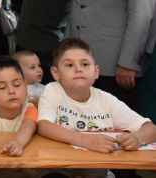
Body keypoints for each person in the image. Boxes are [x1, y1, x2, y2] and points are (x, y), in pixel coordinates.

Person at [37, 39, 156, 177]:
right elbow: (44, 125)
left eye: (85, 64)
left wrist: (137, 138)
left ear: (96, 71)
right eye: (69, 65)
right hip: (59, 170)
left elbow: (151, 128)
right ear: (56, 73)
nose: (78, 69)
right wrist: (85, 140)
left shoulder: (106, 99)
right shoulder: (52, 90)